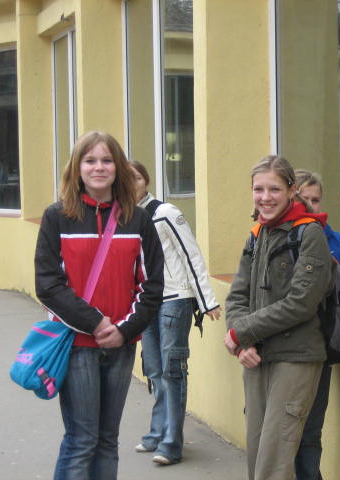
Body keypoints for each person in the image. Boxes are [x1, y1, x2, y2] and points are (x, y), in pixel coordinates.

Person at [35, 131, 164, 480]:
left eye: (107, 160)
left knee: (107, 441)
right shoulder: (57, 217)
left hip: (121, 345)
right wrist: (96, 323)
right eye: (90, 160)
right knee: (82, 440)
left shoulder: (138, 219)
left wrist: (123, 330)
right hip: (76, 344)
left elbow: (151, 285)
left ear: (118, 167)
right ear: (77, 168)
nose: (99, 167)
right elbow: (48, 285)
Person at [224, 155, 334, 480]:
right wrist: (242, 342)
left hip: (295, 358)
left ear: (291, 190)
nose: (265, 197)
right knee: (257, 454)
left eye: (274, 189)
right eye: (259, 189)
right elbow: (237, 296)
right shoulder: (257, 233)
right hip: (256, 357)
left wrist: (241, 332)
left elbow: (301, 303)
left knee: (274, 461)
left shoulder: (309, 233)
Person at [129, 160, 221, 465]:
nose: (131, 183)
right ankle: (157, 433)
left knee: (172, 371)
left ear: (146, 180)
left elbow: (191, 254)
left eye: (136, 177)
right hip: (146, 302)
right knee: (154, 370)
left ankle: (171, 443)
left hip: (175, 300)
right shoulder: (124, 218)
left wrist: (207, 300)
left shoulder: (165, 212)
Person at [292, 169, 340, 480]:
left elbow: (338, 291)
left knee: (312, 429)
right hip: (283, 348)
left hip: (319, 345)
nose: (312, 206)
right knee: (283, 430)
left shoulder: (331, 238)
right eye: (305, 199)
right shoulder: (275, 235)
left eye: (316, 199)